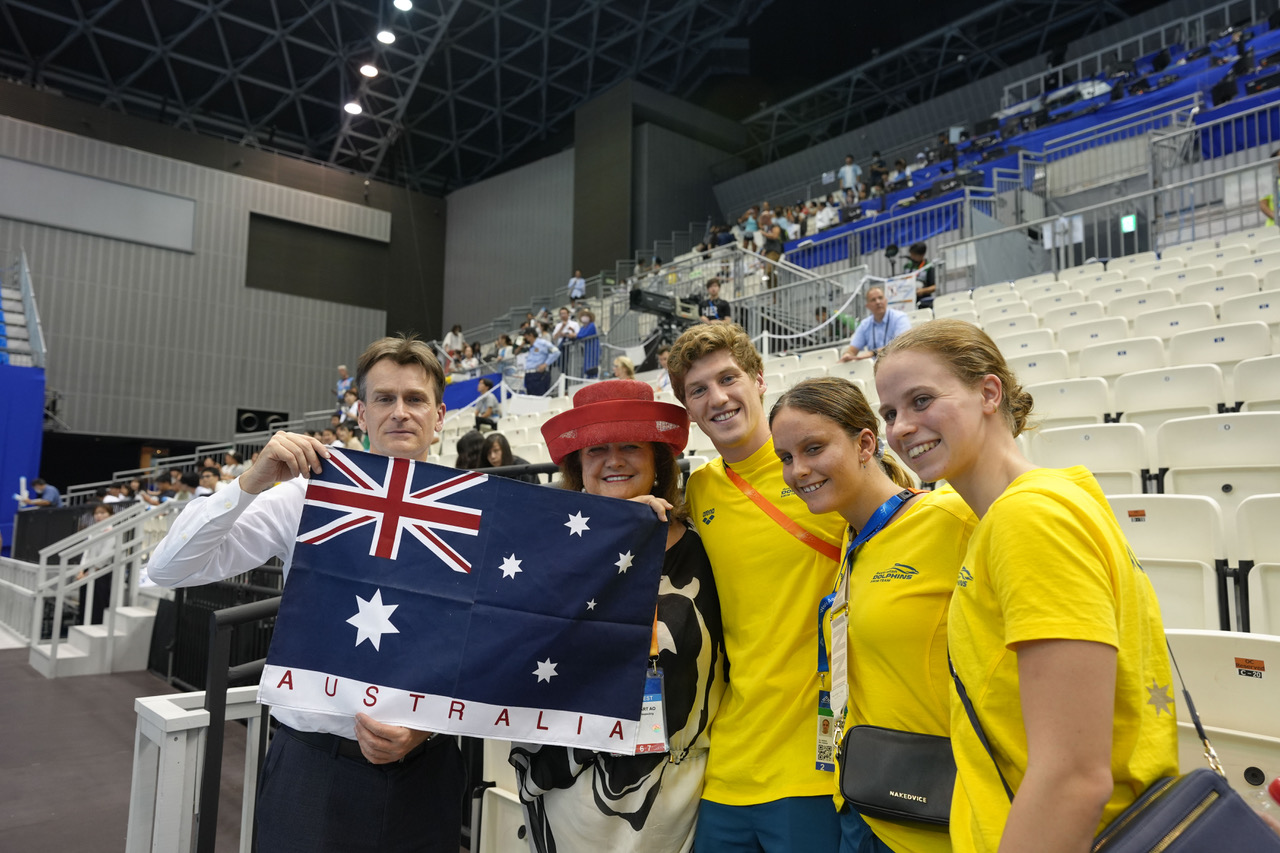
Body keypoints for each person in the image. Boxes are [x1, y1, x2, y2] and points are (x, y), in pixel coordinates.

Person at [147, 334, 465, 853]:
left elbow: (480, 635)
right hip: (316, 768)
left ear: (440, 415)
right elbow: (168, 569)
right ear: (361, 413)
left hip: (428, 769)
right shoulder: (307, 494)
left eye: (415, 399)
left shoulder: (471, 510)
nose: (400, 412)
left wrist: (426, 727)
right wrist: (250, 482)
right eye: (384, 398)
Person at [874, 320, 1180, 853]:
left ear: (989, 393)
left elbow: (1072, 778)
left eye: (921, 400)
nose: (901, 427)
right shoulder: (1039, 504)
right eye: (889, 413)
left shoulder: (1028, 520)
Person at [510, 379, 725, 853]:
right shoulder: (545, 550)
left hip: (677, 796)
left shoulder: (704, 549)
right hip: (567, 791)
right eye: (597, 449)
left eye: (630, 446)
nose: (614, 461)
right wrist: (616, 533)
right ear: (577, 464)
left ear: (657, 460)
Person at [769, 377, 977, 853]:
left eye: (813, 448)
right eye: (786, 457)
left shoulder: (952, 517)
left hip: (937, 814)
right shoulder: (852, 538)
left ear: (865, 444)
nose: (798, 470)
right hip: (864, 802)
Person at [666, 324, 850, 853]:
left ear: (759, 380)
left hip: (814, 763)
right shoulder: (701, 488)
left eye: (729, 379)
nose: (717, 397)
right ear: (689, 410)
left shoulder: (825, 468)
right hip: (729, 761)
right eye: (698, 390)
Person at [839, 287, 910, 362]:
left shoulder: (900, 317)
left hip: (897, 362)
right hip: (874, 366)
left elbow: (902, 344)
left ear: (886, 300)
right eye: (873, 300)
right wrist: (847, 354)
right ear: (868, 306)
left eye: (880, 298)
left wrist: (873, 353)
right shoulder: (865, 324)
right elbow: (852, 350)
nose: (878, 302)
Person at [522, 327, 560, 396]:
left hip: (538, 375)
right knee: (530, 397)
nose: (525, 337)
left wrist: (545, 364)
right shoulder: (531, 346)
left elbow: (556, 352)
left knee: (539, 397)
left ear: (531, 335)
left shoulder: (542, 343)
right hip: (529, 375)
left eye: (526, 335)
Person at [904, 242, 936, 309]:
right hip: (908, 301)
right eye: (911, 254)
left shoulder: (928, 267)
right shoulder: (907, 266)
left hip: (924, 302)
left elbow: (934, 287)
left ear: (922, 255)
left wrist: (923, 291)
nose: (912, 257)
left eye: (914, 255)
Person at [576, 309, 600, 378]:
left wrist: (574, 335)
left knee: (593, 364)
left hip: (593, 348)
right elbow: (579, 335)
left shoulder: (591, 325)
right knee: (587, 365)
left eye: (586, 315)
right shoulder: (582, 328)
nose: (584, 317)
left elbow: (582, 335)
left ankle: (594, 377)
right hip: (586, 349)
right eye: (583, 315)